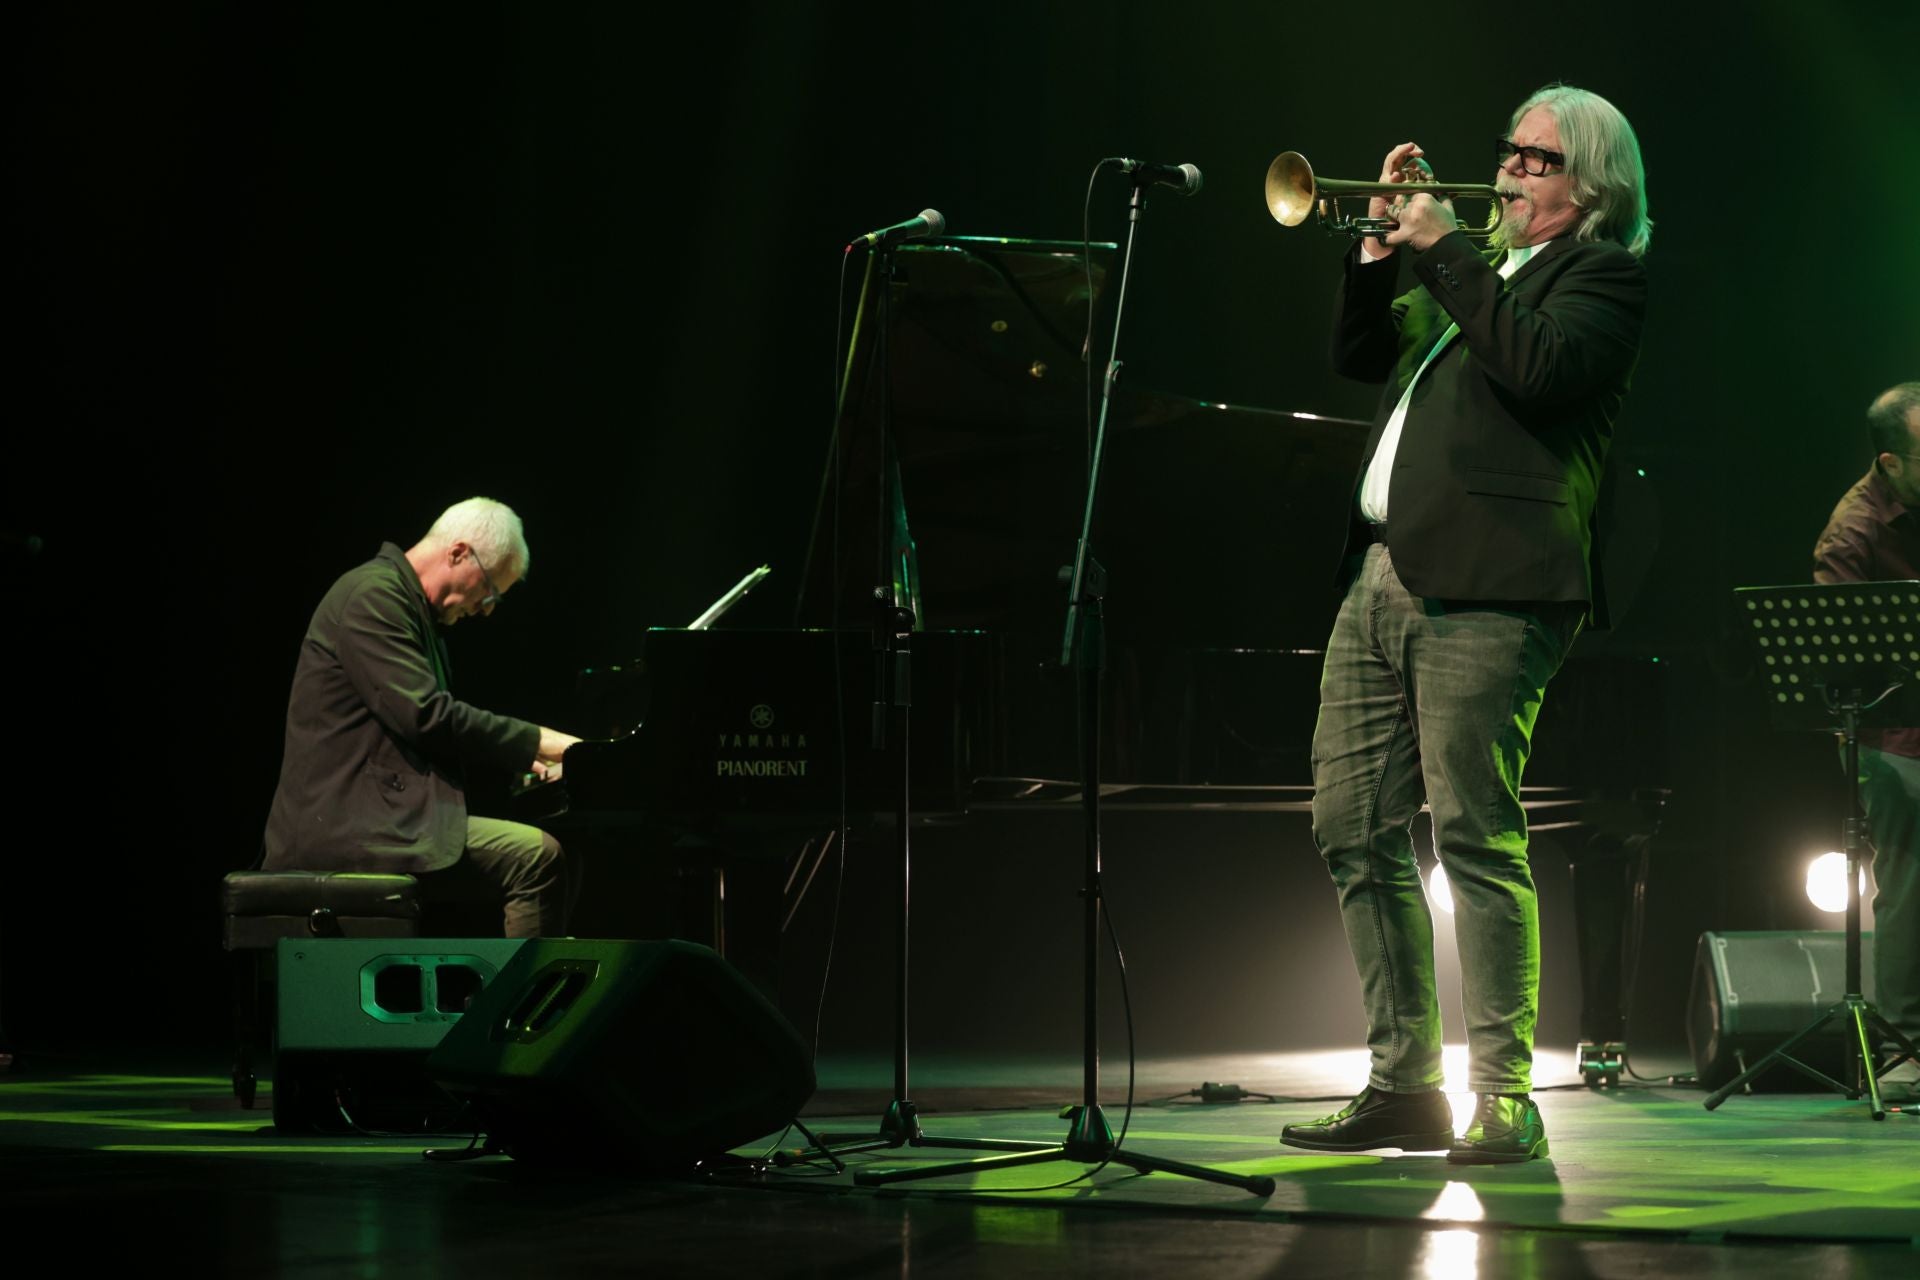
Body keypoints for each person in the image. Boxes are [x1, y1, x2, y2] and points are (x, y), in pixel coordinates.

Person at [1278, 84, 1651, 1163]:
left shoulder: (1604, 279)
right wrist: (1377, 249)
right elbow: (1358, 358)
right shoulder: (1465, 277)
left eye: (1534, 160)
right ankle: (1404, 1083)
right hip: (1380, 576)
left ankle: (1505, 1096)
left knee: (1476, 834)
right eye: (1509, 152)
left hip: (1495, 585)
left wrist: (1446, 253)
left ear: (1589, 185)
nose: (1508, 171)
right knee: (1350, 824)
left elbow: (1536, 370)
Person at [262, 497, 581, 937]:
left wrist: (527, 766)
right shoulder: (372, 596)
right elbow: (427, 716)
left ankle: (499, 995)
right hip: (347, 829)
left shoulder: (410, 610)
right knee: (537, 858)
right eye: (488, 592)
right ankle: (524, 1006)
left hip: (380, 818)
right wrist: (537, 740)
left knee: (550, 852)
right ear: (458, 553)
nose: (487, 610)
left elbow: (432, 737)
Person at [1811, 382, 1920, 1099]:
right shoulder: (1854, 532)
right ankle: (1906, 1048)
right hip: (1897, 736)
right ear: (1892, 462)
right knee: (1912, 881)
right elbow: (1834, 665)